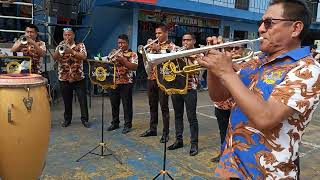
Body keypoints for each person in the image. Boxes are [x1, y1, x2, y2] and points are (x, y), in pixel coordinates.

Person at [198, 0, 319, 179]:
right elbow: (220, 99)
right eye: (261, 23)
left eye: (269, 23)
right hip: (230, 167)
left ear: (295, 28)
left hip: (268, 173)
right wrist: (213, 68)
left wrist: (226, 72)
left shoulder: (307, 69)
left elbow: (266, 118)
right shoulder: (256, 61)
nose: (261, 29)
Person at [140, 23, 174, 143]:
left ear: (166, 33)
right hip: (151, 78)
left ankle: (166, 133)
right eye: (156, 33)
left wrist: (158, 49)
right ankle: (152, 129)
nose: (157, 35)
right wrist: (146, 50)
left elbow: (169, 59)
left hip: (164, 80)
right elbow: (147, 61)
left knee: (164, 107)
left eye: (159, 33)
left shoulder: (171, 46)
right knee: (152, 105)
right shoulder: (152, 45)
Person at [167, 32, 199, 156]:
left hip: (190, 88)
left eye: (188, 40)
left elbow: (195, 69)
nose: (185, 42)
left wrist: (185, 56)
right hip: (176, 87)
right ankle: (178, 140)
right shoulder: (177, 52)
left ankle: (194, 144)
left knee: (192, 117)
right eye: (183, 40)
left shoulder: (199, 53)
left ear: (194, 41)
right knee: (177, 115)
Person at [52, 28, 90, 128]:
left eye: (69, 35)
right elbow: (54, 58)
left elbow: (84, 56)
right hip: (64, 78)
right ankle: (67, 120)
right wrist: (60, 50)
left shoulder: (80, 45)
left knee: (82, 100)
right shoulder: (61, 45)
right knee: (67, 101)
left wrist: (71, 51)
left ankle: (85, 120)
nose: (67, 37)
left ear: (73, 35)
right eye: (65, 35)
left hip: (78, 78)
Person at [106, 34, 138, 134]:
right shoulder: (114, 52)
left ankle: (128, 125)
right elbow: (108, 63)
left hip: (126, 82)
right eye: (119, 43)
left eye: (123, 43)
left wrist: (123, 60)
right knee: (114, 103)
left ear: (127, 43)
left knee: (127, 104)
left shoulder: (133, 54)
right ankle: (115, 122)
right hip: (114, 82)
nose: (120, 45)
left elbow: (134, 67)